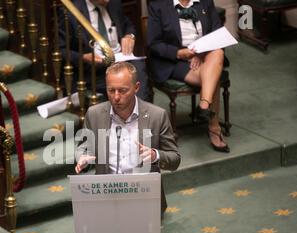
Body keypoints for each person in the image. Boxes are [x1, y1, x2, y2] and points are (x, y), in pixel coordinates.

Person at [75, 62, 181, 213]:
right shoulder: (94, 114)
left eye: (122, 90)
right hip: (106, 199)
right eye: (111, 90)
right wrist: (82, 156)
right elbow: (83, 148)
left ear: (136, 87)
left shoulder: (157, 116)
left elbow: (175, 160)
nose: (116, 97)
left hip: (145, 199)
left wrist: (155, 155)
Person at [148, 0, 230, 152]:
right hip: (175, 60)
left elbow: (218, 33)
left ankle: (204, 103)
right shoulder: (158, 5)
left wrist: (202, 52)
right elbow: (154, 44)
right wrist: (179, 53)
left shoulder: (205, 2)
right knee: (214, 74)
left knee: (217, 53)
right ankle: (213, 125)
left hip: (205, 56)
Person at [58, 0, 152, 101]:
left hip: (120, 60)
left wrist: (130, 35)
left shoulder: (114, 4)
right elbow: (61, 50)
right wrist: (84, 58)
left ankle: (139, 113)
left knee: (139, 69)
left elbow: (128, 25)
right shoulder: (71, 11)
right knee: (124, 84)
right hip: (95, 71)